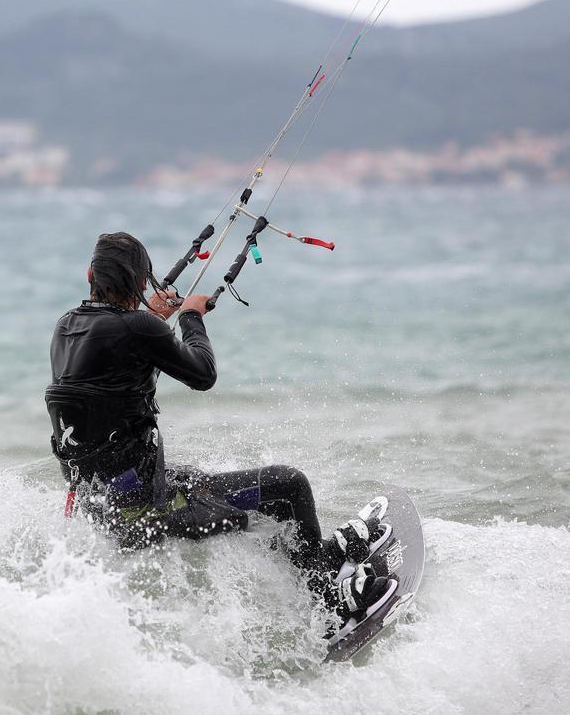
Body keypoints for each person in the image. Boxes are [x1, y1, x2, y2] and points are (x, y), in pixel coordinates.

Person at [45, 231, 393, 621]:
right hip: (147, 514)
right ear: (143, 283)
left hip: (103, 506)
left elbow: (113, 361)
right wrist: (190, 318)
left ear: (89, 275)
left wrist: (151, 319)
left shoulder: (66, 327)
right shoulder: (140, 329)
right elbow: (203, 375)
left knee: (201, 479)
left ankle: (310, 555)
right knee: (290, 485)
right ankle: (324, 591)